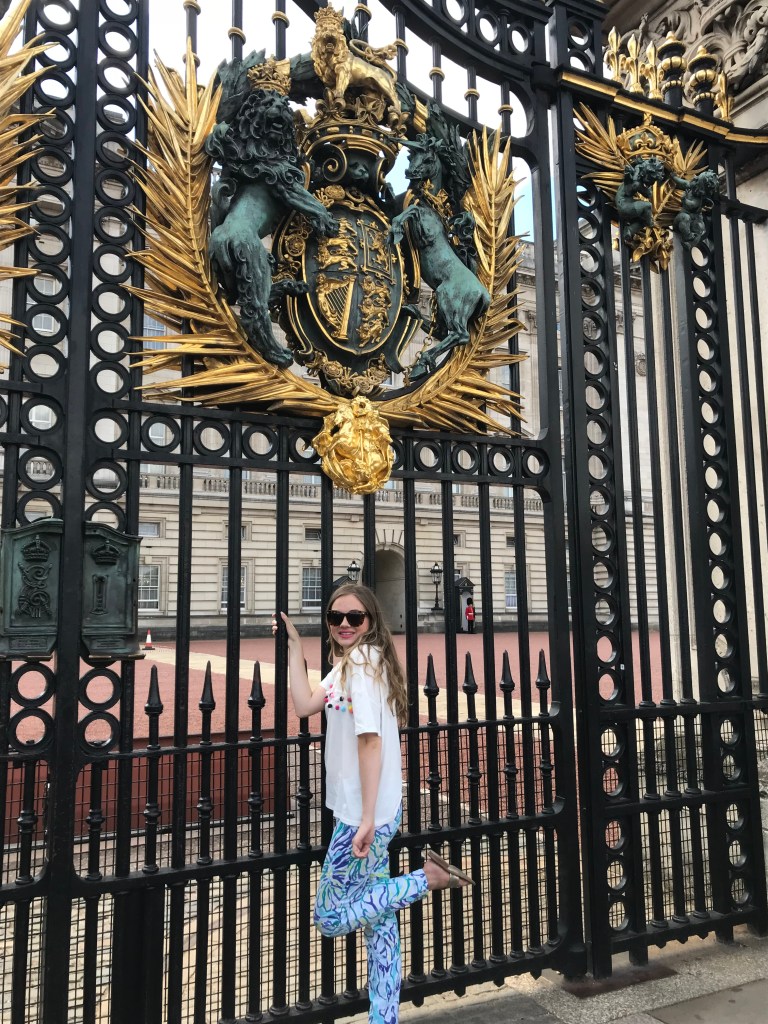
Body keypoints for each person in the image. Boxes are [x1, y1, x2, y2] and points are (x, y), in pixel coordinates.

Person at [273, 583, 473, 1024]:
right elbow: (305, 705)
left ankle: (428, 879)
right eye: (335, 617)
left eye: (354, 617)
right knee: (378, 919)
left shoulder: (362, 663)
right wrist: (295, 647)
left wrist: (364, 818)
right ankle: (384, 1017)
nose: (344, 624)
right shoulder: (352, 663)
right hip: (375, 808)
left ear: (370, 620)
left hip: (362, 814)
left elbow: (370, 740)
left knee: (329, 916)